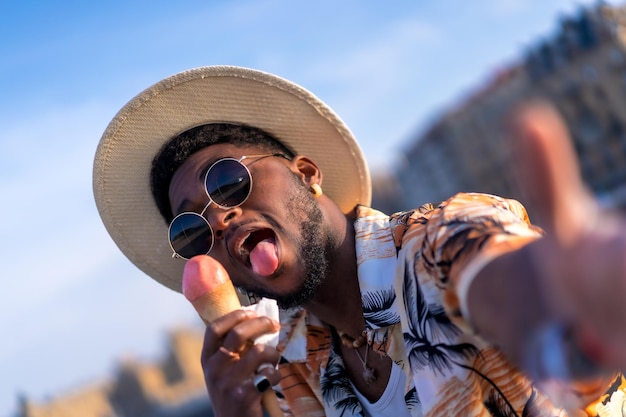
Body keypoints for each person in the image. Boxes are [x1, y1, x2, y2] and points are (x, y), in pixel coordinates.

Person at [93, 66, 626, 417]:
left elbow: (507, 287)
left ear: (306, 174)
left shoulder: (437, 243)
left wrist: (576, 318)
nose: (223, 215)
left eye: (226, 181)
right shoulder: (291, 370)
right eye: (193, 229)